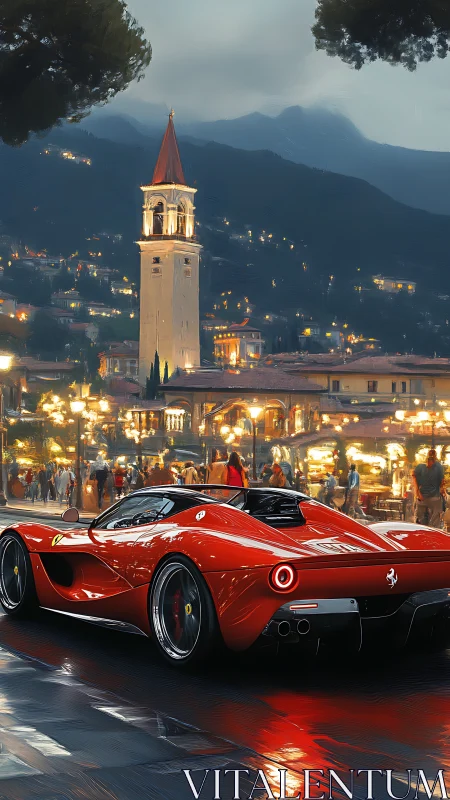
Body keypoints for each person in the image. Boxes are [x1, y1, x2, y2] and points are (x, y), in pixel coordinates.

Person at [413, 448, 445, 528]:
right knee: (435, 519)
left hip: (422, 497)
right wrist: (441, 488)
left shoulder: (420, 466)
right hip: (434, 497)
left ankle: (419, 529)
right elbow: (442, 481)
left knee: (419, 520)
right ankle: (433, 530)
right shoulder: (439, 467)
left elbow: (414, 477)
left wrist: (417, 492)